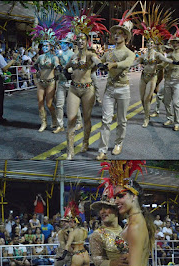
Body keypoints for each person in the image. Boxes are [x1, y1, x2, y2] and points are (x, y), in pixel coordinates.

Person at [60, 2, 108, 159]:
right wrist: (64, 71)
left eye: (82, 39)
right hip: (74, 89)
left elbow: (96, 60)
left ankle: (85, 142)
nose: (80, 41)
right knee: (72, 119)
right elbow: (65, 68)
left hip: (88, 90)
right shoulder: (73, 56)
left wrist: (100, 64)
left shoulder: (89, 54)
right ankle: (70, 150)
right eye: (78, 39)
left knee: (87, 118)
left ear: (86, 41)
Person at [96, 14, 136, 160]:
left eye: (120, 34)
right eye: (114, 33)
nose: (116, 36)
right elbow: (98, 63)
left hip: (123, 89)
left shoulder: (129, 53)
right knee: (105, 120)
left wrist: (113, 65)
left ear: (125, 36)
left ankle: (118, 144)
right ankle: (102, 149)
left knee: (121, 120)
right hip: (109, 89)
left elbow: (127, 63)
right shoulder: (108, 52)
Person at [86, 180, 126, 266]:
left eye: (106, 207)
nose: (102, 211)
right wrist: (113, 264)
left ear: (116, 209)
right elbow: (97, 260)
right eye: (100, 208)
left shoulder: (127, 230)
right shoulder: (97, 234)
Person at [30, 10, 62, 133]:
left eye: (47, 46)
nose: (44, 48)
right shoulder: (40, 57)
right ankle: (43, 123)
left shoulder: (54, 57)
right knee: (39, 103)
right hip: (41, 82)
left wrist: (58, 67)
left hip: (50, 83)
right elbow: (34, 65)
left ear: (51, 47)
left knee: (49, 104)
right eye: (43, 46)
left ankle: (54, 119)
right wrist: (37, 72)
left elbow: (57, 64)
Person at [52, 33, 83, 134]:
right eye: (62, 43)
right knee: (59, 105)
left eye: (65, 43)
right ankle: (60, 125)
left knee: (73, 104)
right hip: (61, 82)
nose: (63, 45)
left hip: (70, 83)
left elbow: (75, 67)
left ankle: (79, 122)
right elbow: (55, 61)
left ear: (69, 45)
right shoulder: (58, 54)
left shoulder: (72, 54)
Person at [149, 45, 179, 118]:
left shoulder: (172, 59)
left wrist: (153, 65)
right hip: (168, 81)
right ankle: (178, 111)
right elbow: (161, 66)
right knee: (164, 96)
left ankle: (159, 112)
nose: (166, 50)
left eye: (168, 49)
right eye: (166, 49)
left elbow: (162, 66)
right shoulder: (169, 58)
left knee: (169, 98)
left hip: (172, 82)